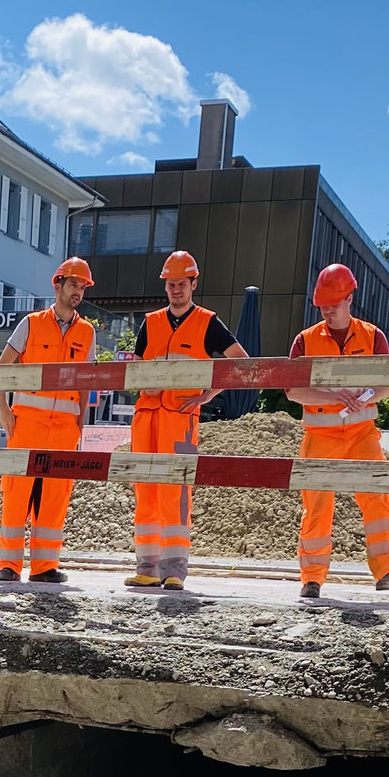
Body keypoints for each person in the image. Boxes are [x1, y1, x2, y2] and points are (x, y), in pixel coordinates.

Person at [290, 264, 389, 599]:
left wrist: (367, 397)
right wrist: (333, 397)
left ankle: (388, 570)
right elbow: (293, 391)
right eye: (323, 305)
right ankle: (312, 578)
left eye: (334, 302)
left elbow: (385, 385)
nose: (328, 310)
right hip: (320, 435)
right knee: (317, 505)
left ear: (350, 297)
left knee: (376, 499)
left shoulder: (374, 337)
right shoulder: (305, 340)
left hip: (362, 433)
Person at [127, 251, 249, 589]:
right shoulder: (150, 322)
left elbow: (239, 361)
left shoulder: (208, 322)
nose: (175, 290)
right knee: (146, 491)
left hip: (180, 418)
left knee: (176, 494)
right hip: (146, 418)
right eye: (170, 284)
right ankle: (147, 568)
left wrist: (208, 395)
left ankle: (174, 570)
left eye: (182, 284)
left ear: (194, 283)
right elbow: (134, 367)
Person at [0, 258, 95, 586]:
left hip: (65, 427)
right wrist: (4, 410)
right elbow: (2, 368)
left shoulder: (87, 332)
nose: (77, 292)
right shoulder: (31, 323)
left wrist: (81, 425)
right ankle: (9, 563)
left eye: (82, 287)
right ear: (58, 285)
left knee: (55, 495)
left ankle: (45, 565)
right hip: (27, 423)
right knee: (17, 491)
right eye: (73, 285)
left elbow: (85, 384)